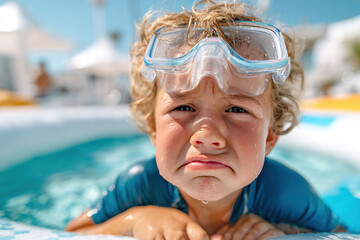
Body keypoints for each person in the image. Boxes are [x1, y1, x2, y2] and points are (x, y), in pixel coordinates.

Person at [66, 0, 347, 239]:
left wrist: (285, 232)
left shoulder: (285, 192)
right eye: (185, 107)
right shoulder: (142, 184)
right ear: (153, 129)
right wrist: (137, 219)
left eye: (238, 109)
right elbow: (74, 232)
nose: (207, 134)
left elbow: (342, 232)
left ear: (270, 136)